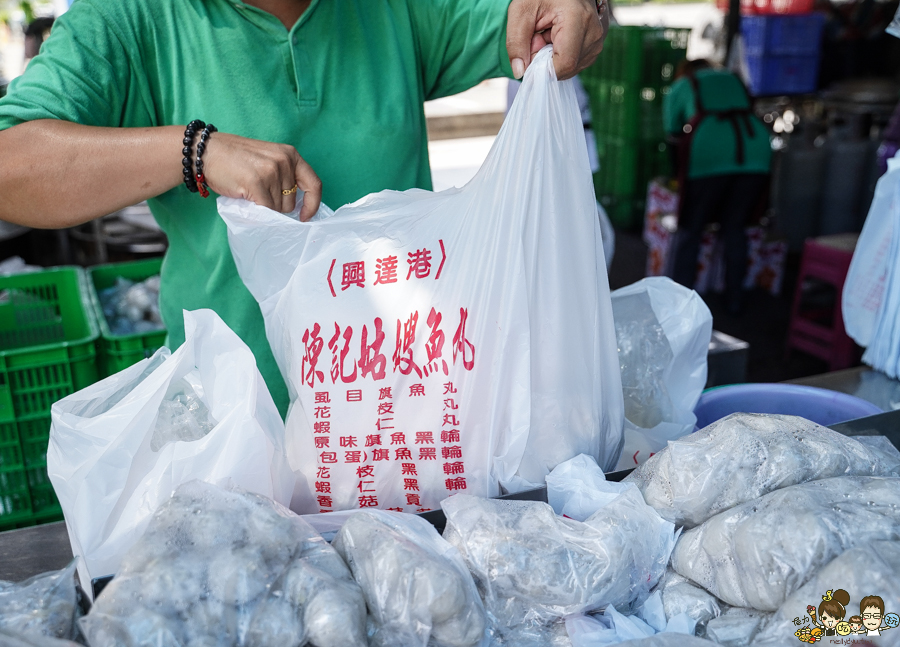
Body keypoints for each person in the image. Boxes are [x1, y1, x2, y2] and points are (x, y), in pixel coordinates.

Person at [0, 0, 608, 417]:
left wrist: (582, 9)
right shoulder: (129, 18)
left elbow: (536, 18)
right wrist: (195, 150)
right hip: (237, 417)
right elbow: (12, 165)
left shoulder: (392, 10)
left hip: (406, 413)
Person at [663, 58, 771, 314]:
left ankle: (680, 301)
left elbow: (672, 132)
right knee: (735, 227)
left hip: (708, 155)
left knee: (691, 229)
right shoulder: (733, 78)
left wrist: (675, 175)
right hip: (755, 151)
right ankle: (734, 299)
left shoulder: (683, 84)